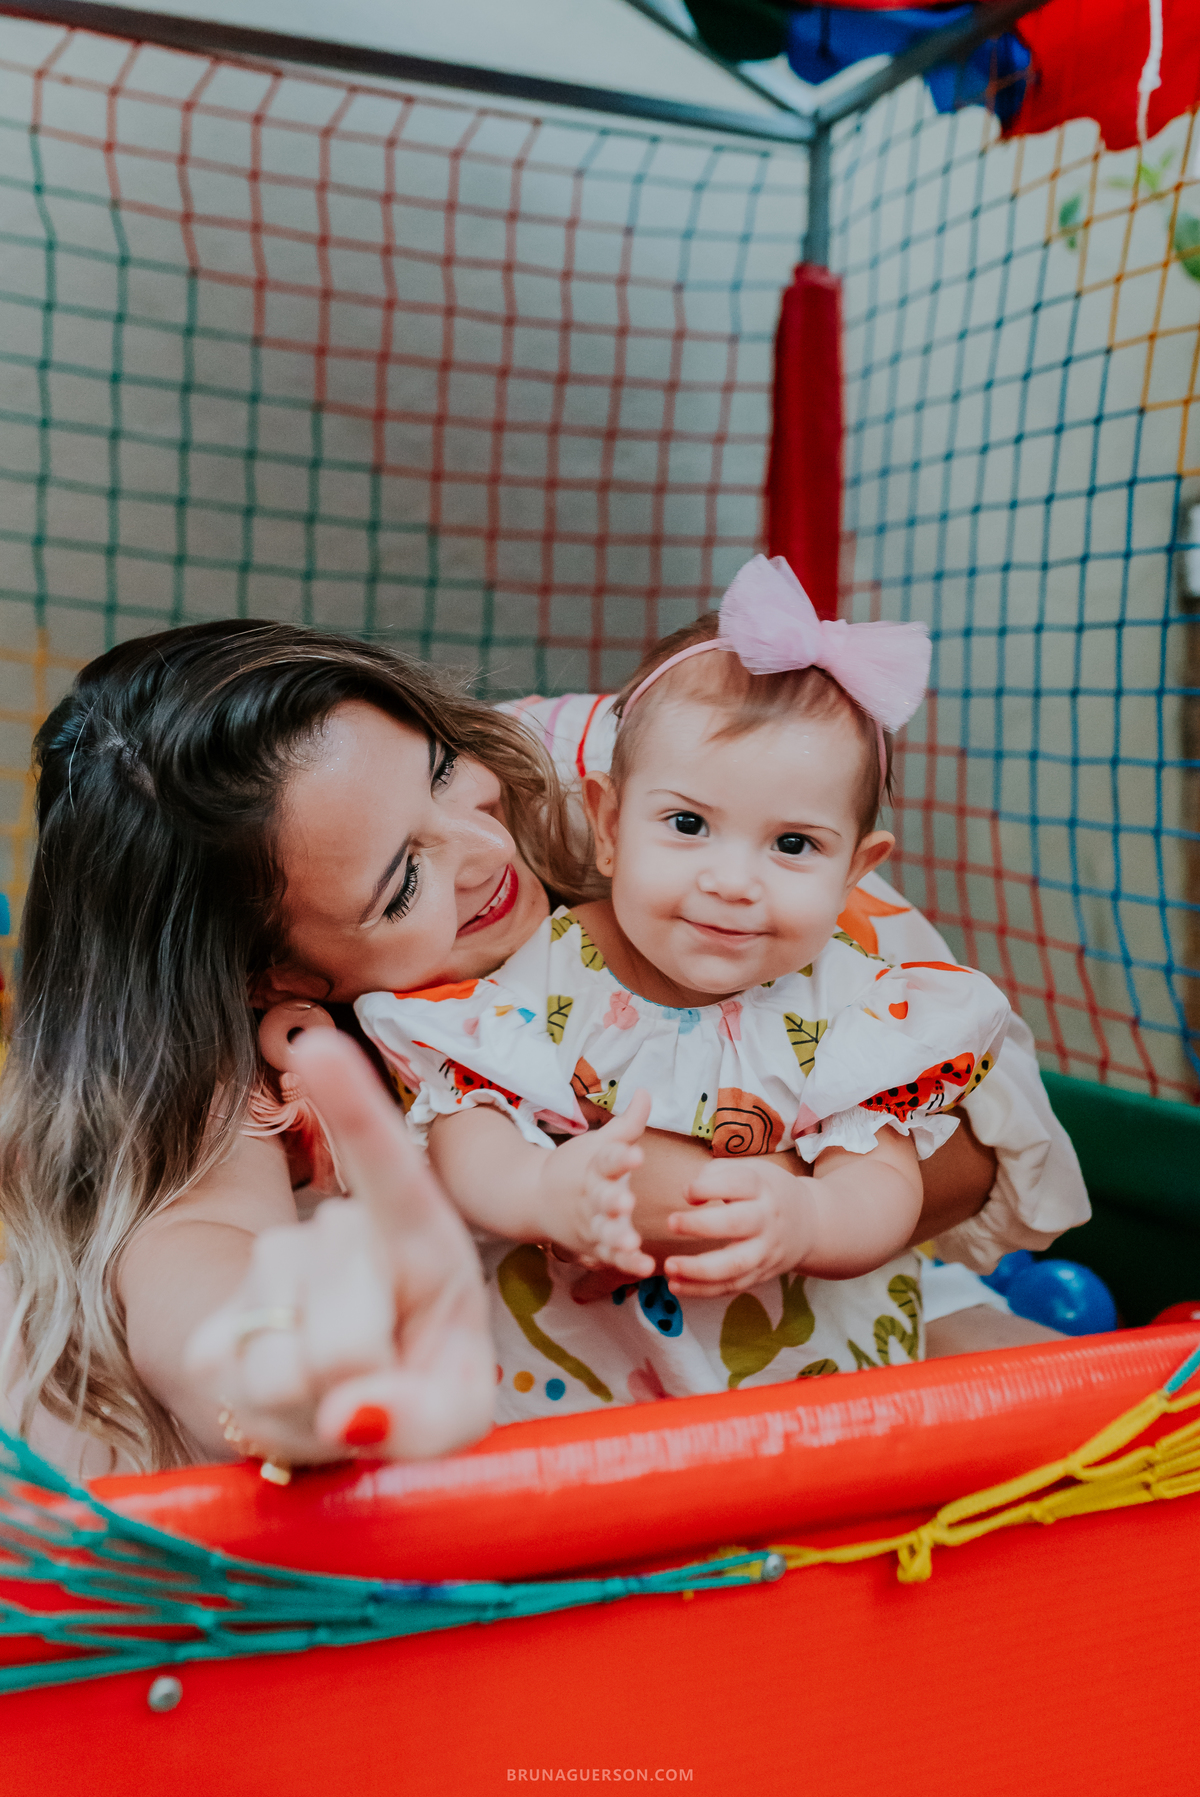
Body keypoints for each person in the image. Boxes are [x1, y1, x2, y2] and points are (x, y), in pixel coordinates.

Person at [0, 616, 1084, 1476]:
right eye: (403, 881)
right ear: (271, 975)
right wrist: (282, 1359)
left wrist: (760, 1197)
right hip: (581, 1384)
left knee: (1082, 1419)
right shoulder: (257, 1069)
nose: (483, 848)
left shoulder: (671, 826)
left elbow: (979, 1134)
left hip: (825, 1298)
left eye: (437, 772)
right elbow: (192, 1263)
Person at [356, 558, 1016, 1416]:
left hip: (802, 1381)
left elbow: (884, 1180)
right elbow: (469, 1126)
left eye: (793, 846)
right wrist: (543, 1192)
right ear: (608, 823)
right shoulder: (553, 970)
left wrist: (809, 1217)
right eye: (689, 825)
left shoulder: (856, 1002)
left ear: (858, 868)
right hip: (590, 1386)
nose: (733, 879)